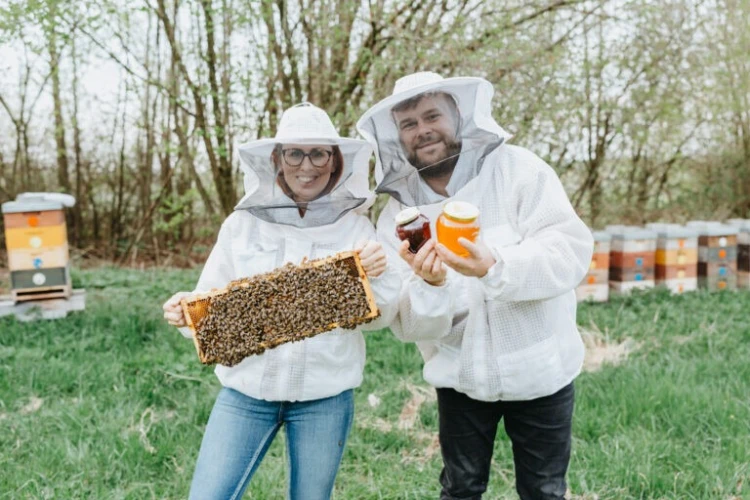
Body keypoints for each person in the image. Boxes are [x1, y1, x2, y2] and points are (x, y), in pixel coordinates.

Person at [356, 72, 594, 500]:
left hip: (541, 368)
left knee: (544, 490)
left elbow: (569, 253)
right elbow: (409, 326)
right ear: (396, 136)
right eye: (408, 124)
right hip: (460, 376)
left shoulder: (520, 170)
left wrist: (493, 265)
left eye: (433, 116)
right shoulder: (397, 216)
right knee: (461, 488)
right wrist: (431, 284)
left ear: (460, 117)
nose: (422, 129)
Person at [162, 102, 399, 500]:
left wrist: (374, 278)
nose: (307, 165)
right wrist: (185, 310)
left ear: (336, 160)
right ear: (277, 159)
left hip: (325, 396)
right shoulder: (242, 224)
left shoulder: (357, 226)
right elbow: (208, 302)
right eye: (294, 153)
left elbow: (382, 316)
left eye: (319, 153)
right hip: (246, 394)